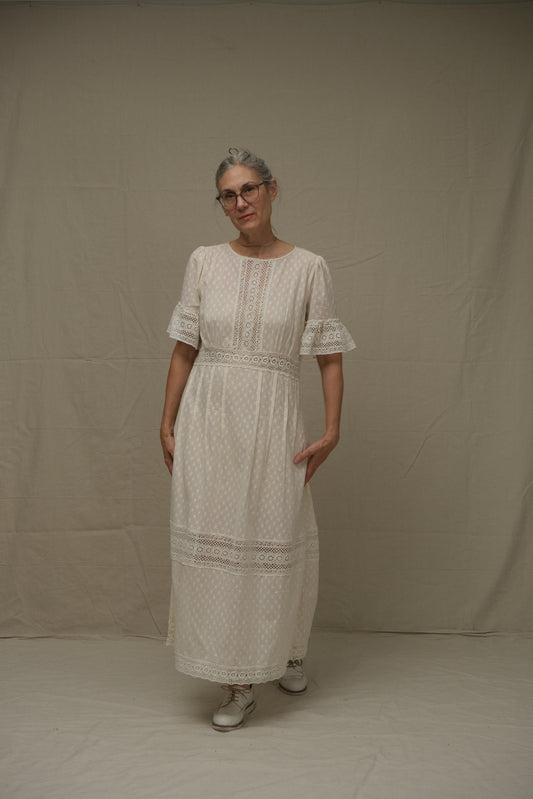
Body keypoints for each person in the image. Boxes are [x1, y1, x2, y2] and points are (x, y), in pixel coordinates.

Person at [160, 148, 355, 732]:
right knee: (218, 542)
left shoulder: (310, 268)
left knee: (277, 532)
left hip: (272, 417)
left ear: (272, 189)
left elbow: (329, 356)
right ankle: (238, 681)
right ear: (221, 203)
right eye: (228, 194)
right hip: (208, 417)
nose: (240, 202)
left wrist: (332, 431)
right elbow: (185, 347)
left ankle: (287, 649)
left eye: (249, 189)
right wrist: (166, 421)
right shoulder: (203, 261)